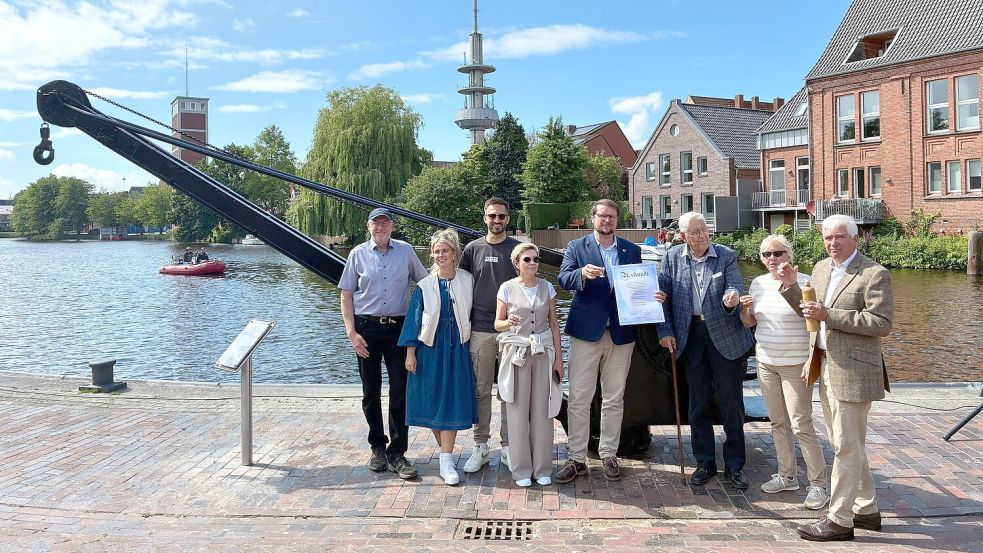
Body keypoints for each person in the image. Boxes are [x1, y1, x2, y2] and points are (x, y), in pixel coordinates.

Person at [777, 214, 893, 542]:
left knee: (845, 446)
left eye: (840, 237)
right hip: (824, 365)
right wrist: (790, 287)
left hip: (855, 371)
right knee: (846, 443)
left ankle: (840, 519)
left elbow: (881, 322)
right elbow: (809, 312)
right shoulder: (821, 268)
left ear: (857, 238)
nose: (833, 243)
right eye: (828, 237)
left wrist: (831, 315)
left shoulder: (874, 273)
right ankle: (867, 510)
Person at [656, 211, 754, 489]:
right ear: (683, 235)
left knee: (730, 403)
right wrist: (665, 332)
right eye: (694, 232)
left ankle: (735, 465)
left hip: (725, 334)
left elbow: (734, 285)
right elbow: (662, 298)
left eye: (704, 231)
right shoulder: (672, 257)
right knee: (697, 403)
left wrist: (731, 298)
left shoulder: (726, 255)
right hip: (691, 335)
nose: (700, 237)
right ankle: (704, 461)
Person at [738, 235, 829, 510]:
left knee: (802, 423)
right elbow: (750, 323)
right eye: (766, 254)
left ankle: (818, 485)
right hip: (766, 361)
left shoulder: (805, 282)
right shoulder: (758, 283)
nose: (772, 259)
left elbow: (813, 322)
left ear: (788, 254)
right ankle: (787, 475)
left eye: (777, 253)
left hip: (796, 363)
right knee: (778, 422)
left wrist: (808, 361)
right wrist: (744, 310)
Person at [339, 207, 429, 480]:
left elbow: (425, 284)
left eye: (385, 223)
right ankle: (377, 446)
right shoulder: (357, 254)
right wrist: (351, 333)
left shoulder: (405, 251)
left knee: (400, 390)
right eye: (376, 223)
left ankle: (397, 451)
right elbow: (346, 295)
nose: (381, 227)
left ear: (392, 226)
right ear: (369, 227)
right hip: (366, 328)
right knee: (370, 391)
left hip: (398, 330)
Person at [556, 199, 642, 483]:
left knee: (614, 398)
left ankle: (608, 453)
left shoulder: (632, 250)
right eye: (602, 216)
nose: (607, 220)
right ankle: (577, 457)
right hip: (586, 333)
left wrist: (651, 297)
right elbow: (563, 279)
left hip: (620, 334)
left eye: (612, 216)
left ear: (617, 220)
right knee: (579, 397)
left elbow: (638, 286)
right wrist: (581, 273)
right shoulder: (577, 247)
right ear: (592, 218)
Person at [398, 229, 478, 485]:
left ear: (454, 253)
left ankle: (446, 458)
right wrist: (411, 353)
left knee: (452, 399)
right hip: (430, 347)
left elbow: (477, 311)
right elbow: (413, 320)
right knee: (431, 400)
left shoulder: (467, 279)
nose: (440, 255)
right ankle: (446, 457)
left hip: (458, 346)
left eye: (445, 250)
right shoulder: (424, 285)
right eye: (436, 251)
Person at [459, 198, 521, 473]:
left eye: (501, 216)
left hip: (511, 330)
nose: (497, 221)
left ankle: (509, 445)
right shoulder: (472, 249)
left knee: (510, 392)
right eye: (492, 216)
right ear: (484, 218)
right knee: (481, 390)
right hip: (481, 329)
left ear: (508, 218)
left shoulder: (517, 249)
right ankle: (481, 445)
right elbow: (460, 286)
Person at [494, 243, 564, 487]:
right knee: (517, 411)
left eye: (535, 259)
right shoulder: (507, 288)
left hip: (543, 352)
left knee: (543, 411)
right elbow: (497, 323)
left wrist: (559, 360)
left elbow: (554, 324)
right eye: (527, 260)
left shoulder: (547, 287)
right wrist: (508, 322)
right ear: (517, 263)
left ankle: (543, 467)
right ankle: (521, 470)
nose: (533, 263)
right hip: (517, 353)